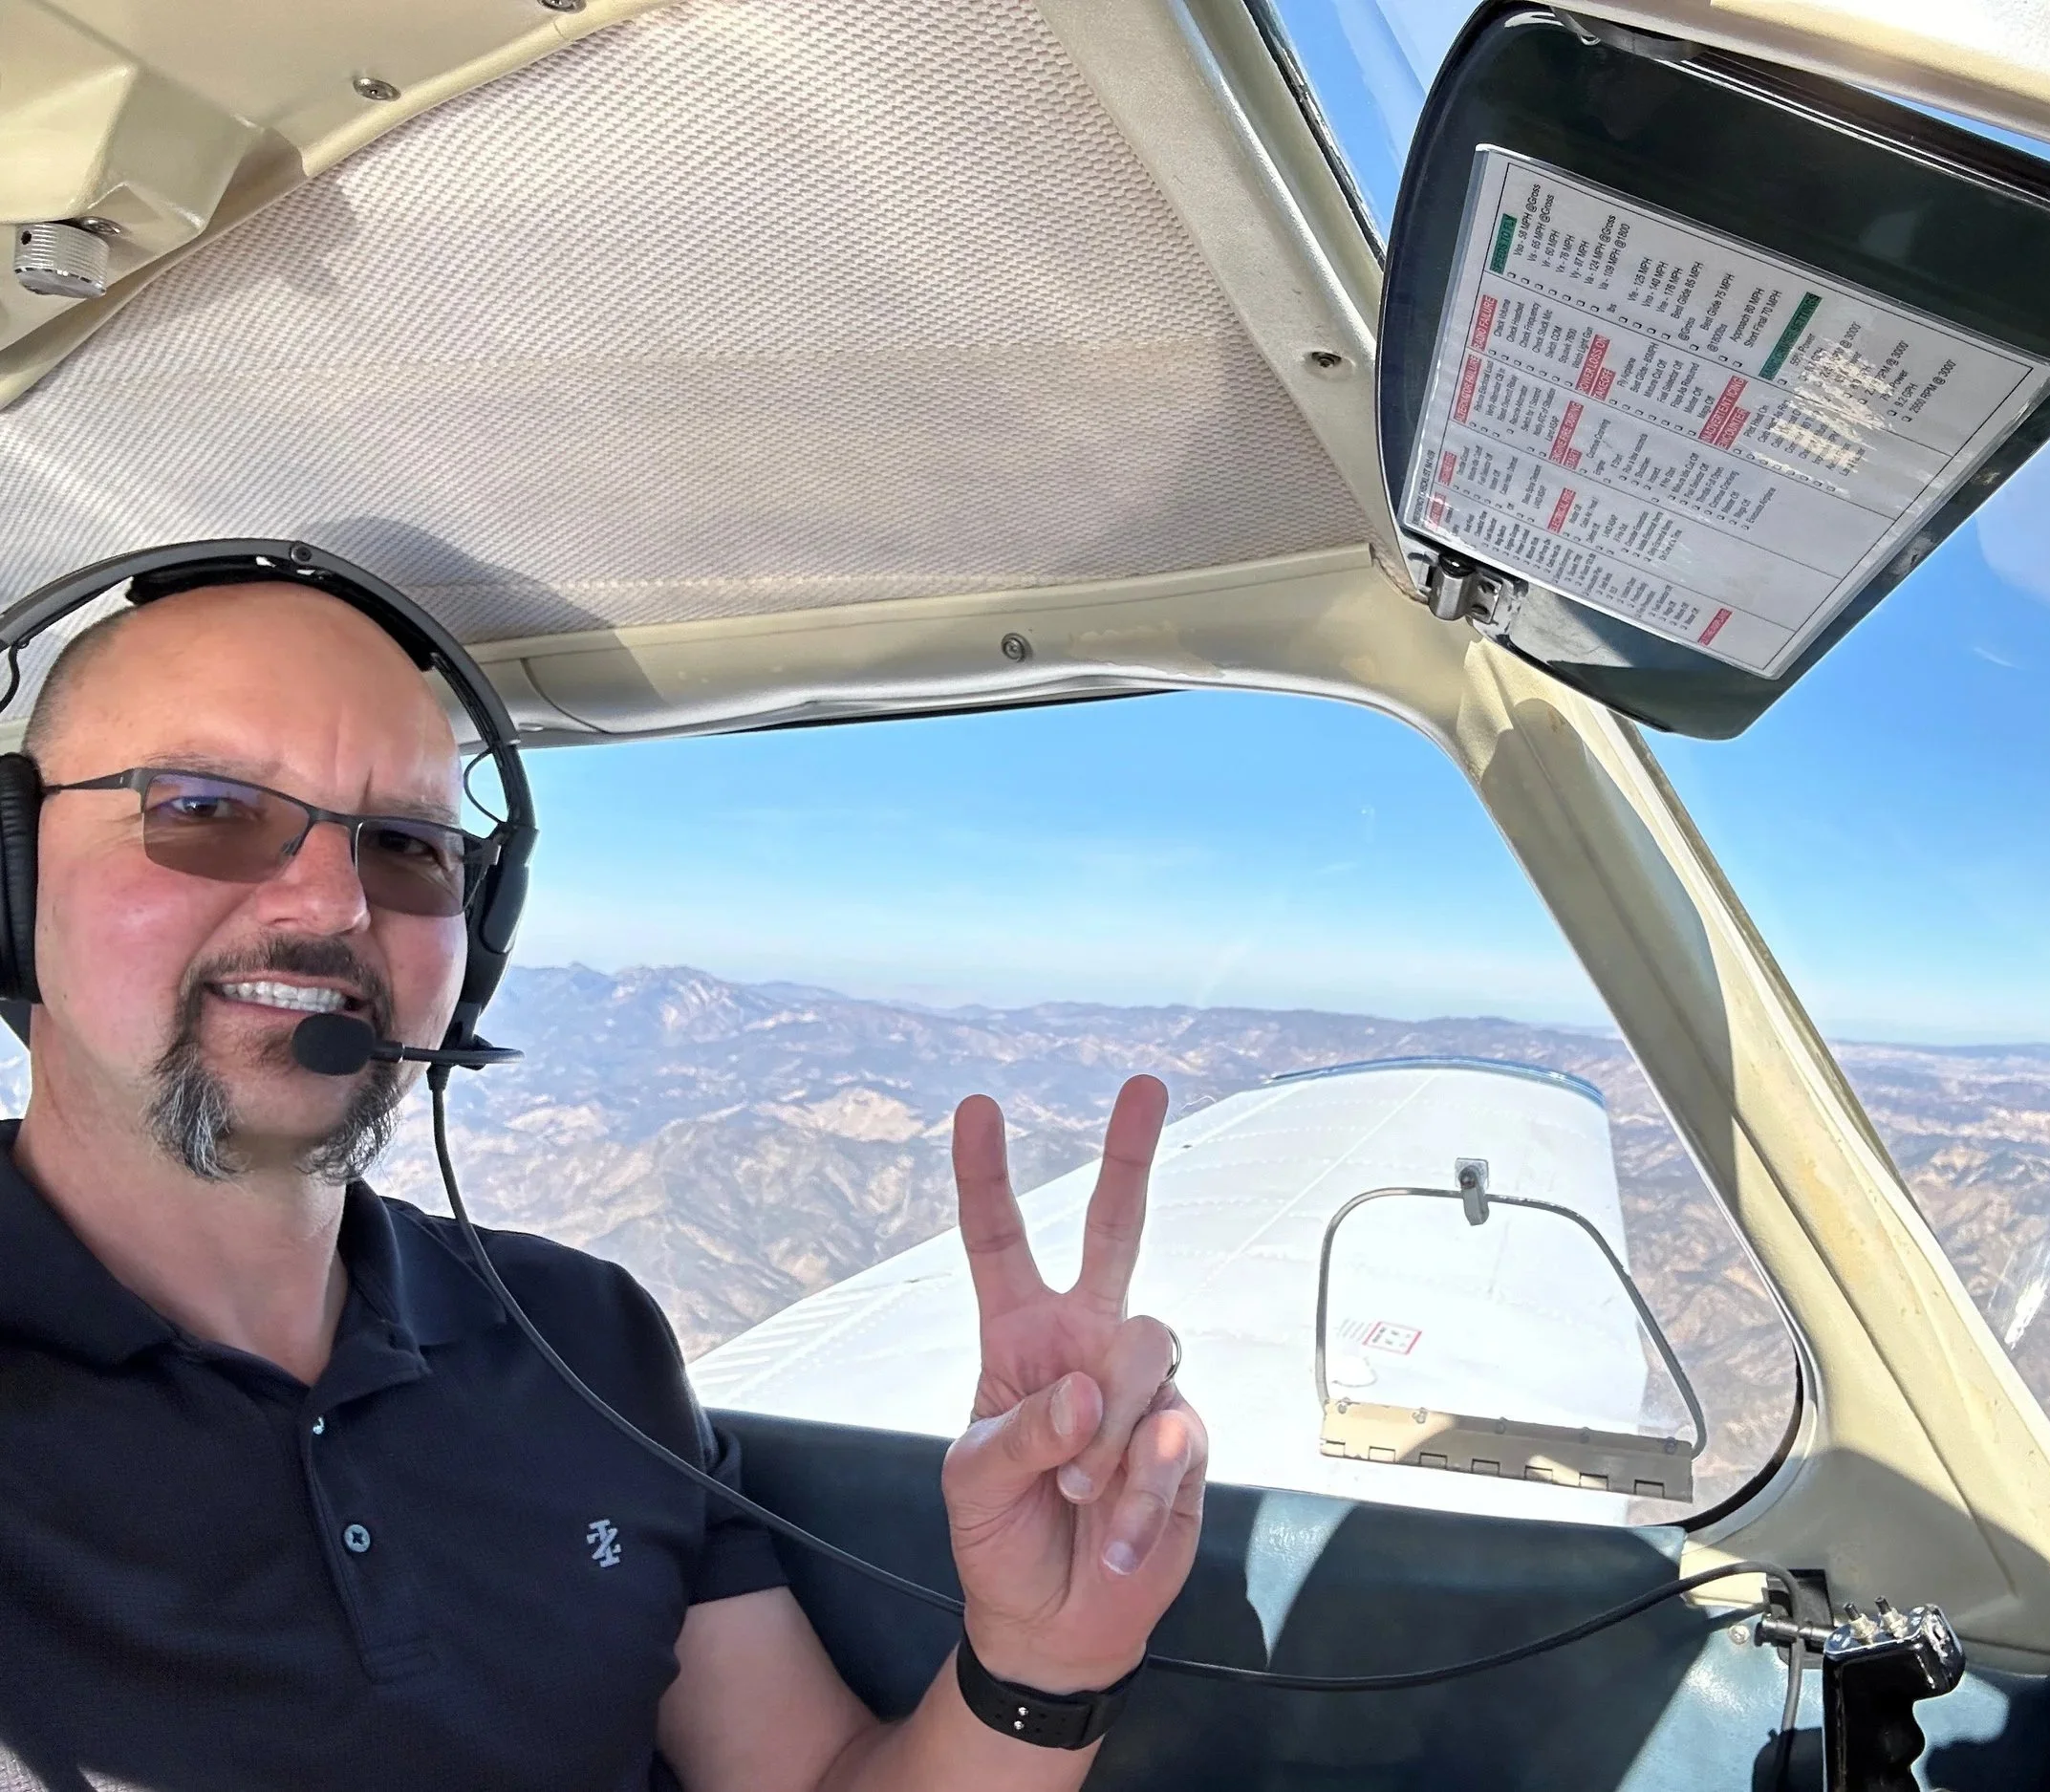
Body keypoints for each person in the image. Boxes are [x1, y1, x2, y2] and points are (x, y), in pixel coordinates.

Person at [0, 573, 1208, 1790]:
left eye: (410, 846)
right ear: (12, 880)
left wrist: (1043, 1659)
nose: (333, 903)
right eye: (205, 808)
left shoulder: (586, 1339)